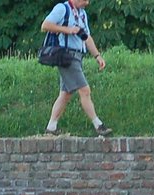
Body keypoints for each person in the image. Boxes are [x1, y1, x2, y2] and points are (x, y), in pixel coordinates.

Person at [40, 0, 111, 137]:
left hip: (77, 56)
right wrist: (68, 30)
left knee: (65, 94)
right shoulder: (62, 8)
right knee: (84, 90)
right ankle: (99, 125)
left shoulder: (82, 14)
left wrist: (97, 55)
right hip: (66, 56)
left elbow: (86, 37)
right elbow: (45, 25)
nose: (87, 2)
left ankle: (51, 127)